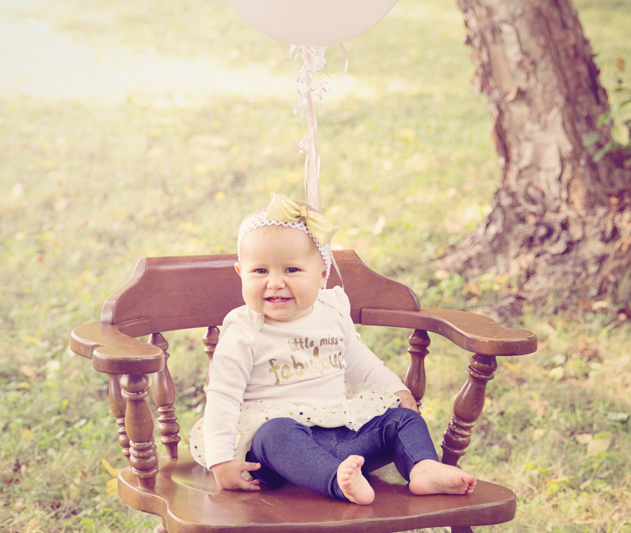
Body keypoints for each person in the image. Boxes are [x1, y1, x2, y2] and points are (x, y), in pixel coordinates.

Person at [190, 193, 475, 505]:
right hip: (281, 456)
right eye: (260, 271)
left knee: (403, 418)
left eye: (291, 270)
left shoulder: (331, 311)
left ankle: (422, 468)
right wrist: (221, 461)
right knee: (275, 434)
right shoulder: (245, 330)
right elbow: (223, 395)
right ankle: (339, 482)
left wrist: (395, 388)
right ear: (240, 272)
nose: (274, 282)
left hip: (344, 433)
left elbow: (357, 359)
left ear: (322, 274)